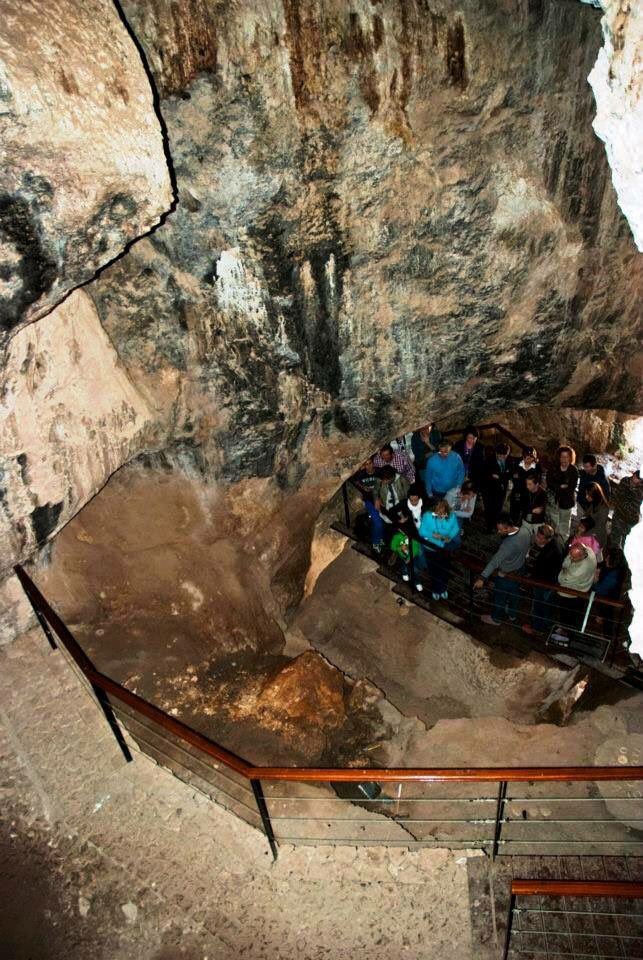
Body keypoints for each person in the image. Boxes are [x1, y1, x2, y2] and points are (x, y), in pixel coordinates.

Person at [474, 513, 531, 625]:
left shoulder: (508, 544)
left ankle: (496, 619)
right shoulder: (525, 531)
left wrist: (482, 577)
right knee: (515, 594)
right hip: (520, 568)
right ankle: (512, 614)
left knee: (500, 596)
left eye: (500, 530)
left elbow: (494, 562)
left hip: (507, 575)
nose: (498, 532)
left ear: (509, 528)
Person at [522, 524, 564, 635]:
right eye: (537, 536)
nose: (537, 538)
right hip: (552, 581)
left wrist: (531, 579)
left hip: (544, 583)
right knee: (547, 607)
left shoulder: (548, 553)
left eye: (540, 538)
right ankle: (547, 626)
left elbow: (539, 570)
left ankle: (537, 628)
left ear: (548, 539)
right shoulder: (557, 541)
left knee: (539, 606)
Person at [419, 499, 459, 600]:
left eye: (442, 510)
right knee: (434, 571)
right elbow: (421, 531)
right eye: (437, 509)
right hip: (430, 548)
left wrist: (449, 536)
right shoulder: (427, 516)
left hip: (444, 547)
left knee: (444, 569)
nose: (439, 512)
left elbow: (456, 528)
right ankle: (436, 590)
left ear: (446, 509)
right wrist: (432, 534)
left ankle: (443, 588)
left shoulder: (452, 516)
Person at [555, 542, 597, 632]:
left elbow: (561, 578)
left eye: (574, 557)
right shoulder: (589, 551)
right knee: (574, 615)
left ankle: (566, 633)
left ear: (582, 556)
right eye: (571, 554)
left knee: (567, 616)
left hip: (570, 594)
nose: (571, 558)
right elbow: (566, 561)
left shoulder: (580, 570)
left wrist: (564, 569)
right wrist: (566, 567)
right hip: (581, 591)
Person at [370, 466, 410, 553]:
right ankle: (392, 547)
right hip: (386, 509)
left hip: (399, 510)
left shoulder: (402, 480)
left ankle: (402, 550)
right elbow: (375, 490)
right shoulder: (380, 480)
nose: (383, 482)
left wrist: (405, 513)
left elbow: (408, 498)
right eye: (382, 480)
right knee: (388, 529)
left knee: (401, 530)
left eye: (385, 480)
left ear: (391, 478)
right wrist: (376, 499)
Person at [547, 446, 579, 540]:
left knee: (564, 527)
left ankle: (561, 544)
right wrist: (560, 486)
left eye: (566, 457)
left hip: (566, 502)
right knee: (553, 524)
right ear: (559, 457)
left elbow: (571, 488)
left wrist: (557, 487)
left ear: (570, 458)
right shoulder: (554, 467)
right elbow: (549, 483)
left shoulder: (573, 471)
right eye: (562, 457)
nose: (564, 459)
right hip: (553, 501)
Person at [481, 442, 511, 532]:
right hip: (489, 489)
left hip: (501, 489)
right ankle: (489, 527)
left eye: (504, 456)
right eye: (500, 456)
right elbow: (486, 475)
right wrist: (500, 477)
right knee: (489, 508)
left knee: (498, 508)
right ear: (496, 453)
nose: (502, 458)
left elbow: (509, 474)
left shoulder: (509, 461)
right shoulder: (489, 460)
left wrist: (499, 477)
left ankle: (495, 525)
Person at [610, 470, 643, 547]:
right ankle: (612, 554)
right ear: (633, 474)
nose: (634, 481)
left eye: (639, 479)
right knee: (614, 538)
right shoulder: (625, 480)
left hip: (629, 521)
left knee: (626, 544)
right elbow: (616, 494)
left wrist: (620, 501)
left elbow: (632, 509)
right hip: (618, 516)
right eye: (635, 477)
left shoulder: (641, 492)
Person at [509, 447, 541, 524]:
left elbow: (537, 481)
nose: (529, 460)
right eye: (527, 458)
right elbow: (512, 476)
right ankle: (513, 524)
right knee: (514, 510)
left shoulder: (537, 467)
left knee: (526, 511)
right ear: (523, 457)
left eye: (531, 458)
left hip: (529, 493)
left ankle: (523, 527)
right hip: (517, 490)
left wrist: (520, 477)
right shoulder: (517, 463)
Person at [581, 481, 610, 546]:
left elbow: (599, 527)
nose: (586, 497)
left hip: (597, 538)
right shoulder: (594, 503)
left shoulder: (603, 509)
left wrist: (584, 535)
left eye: (588, 495)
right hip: (590, 532)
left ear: (595, 495)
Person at [520, 471, 548, 537]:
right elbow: (521, 506)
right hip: (526, 519)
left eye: (530, 484)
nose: (527, 486)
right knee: (524, 537)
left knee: (539, 537)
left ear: (536, 484)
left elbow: (541, 508)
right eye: (526, 484)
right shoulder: (525, 491)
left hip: (538, 521)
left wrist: (539, 509)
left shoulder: (543, 493)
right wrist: (532, 510)